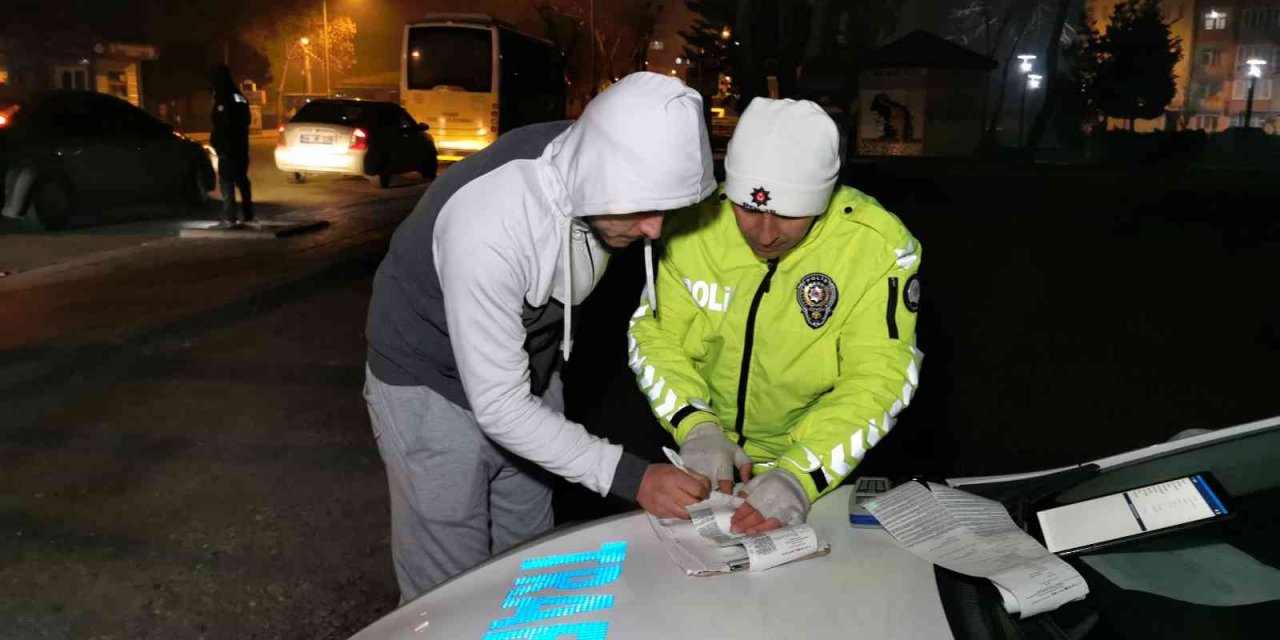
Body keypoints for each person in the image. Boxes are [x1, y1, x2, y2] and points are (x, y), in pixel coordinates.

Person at [363, 72, 717, 602]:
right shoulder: (490, 224)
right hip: (427, 382)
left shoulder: (597, 159)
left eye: (665, 207)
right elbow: (501, 407)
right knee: (451, 588)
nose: (656, 229)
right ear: (601, 179)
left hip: (528, 367)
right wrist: (633, 477)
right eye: (644, 208)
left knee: (530, 558)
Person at [628, 97, 924, 535]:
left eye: (789, 214)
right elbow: (656, 336)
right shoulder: (691, 226)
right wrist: (695, 425)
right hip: (697, 452)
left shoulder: (878, 247)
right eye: (747, 208)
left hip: (817, 464)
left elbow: (879, 377)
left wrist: (800, 475)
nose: (765, 235)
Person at [210, 65, 253, 228]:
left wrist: (218, 142)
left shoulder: (223, 98)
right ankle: (248, 214)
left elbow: (220, 124)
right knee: (242, 179)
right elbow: (247, 120)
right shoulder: (240, 97)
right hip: (241, 145)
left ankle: (229, 216)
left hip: (227, 148)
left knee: (226, 181)